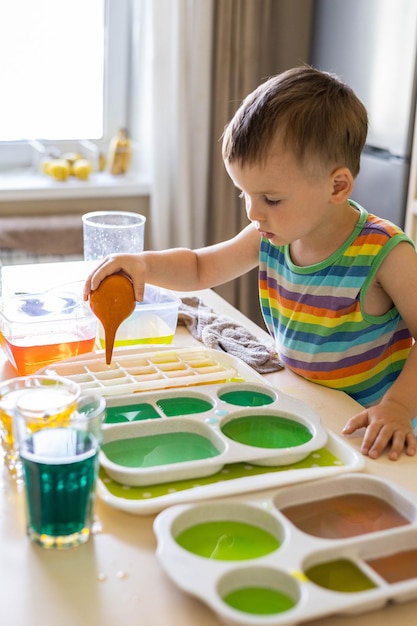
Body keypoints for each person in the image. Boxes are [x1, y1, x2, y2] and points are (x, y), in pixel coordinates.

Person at [84, 66, 417, 461]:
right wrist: (144, 264)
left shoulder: (385, 253)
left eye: (271, 199)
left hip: (375, 426)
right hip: (310, 405)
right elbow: (199, 268)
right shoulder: (271, 236)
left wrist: (396, 408)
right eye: (244, 194)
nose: (253, 213)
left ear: (337, 186)